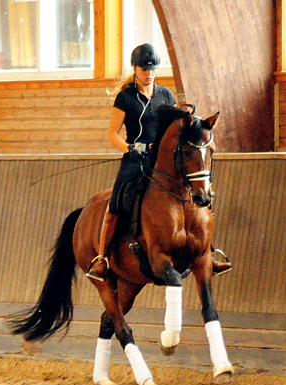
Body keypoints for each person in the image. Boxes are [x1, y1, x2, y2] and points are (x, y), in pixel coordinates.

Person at [86, 43, 232, 281]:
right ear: (135, 68)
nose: (149, 73)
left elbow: (176, 130)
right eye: (144, 68)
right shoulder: (125, 98)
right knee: (116, 201)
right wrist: (130, 148)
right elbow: (112, 134)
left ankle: (207, 252)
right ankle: (102, 257)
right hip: (135, 158)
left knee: (197, 196)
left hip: (162, 159)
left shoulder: (166, 95)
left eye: (152, 68)